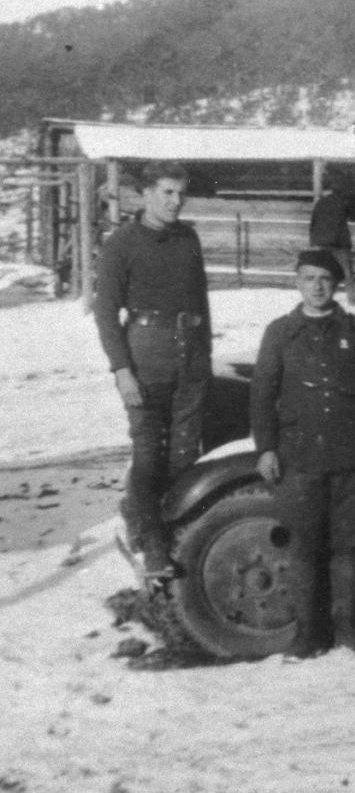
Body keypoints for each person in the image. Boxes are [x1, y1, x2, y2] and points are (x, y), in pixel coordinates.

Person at [250, 249, 355, 652]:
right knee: (305, 544)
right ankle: (307, 633)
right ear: (297, 282)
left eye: (325, 279)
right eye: (309, 278)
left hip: (349, 454)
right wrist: (266, 448)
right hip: (300, 456)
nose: (317, 287)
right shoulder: (280, 332)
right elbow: (262, 394)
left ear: (336, 284)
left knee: (346, 544)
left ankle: (346, 626)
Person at [94, 161, 212, 578]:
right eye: (166, 192)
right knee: (149, 454)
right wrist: (122, 371)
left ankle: (174, 533)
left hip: (191, 359)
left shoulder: (188, 239)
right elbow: (106, 313)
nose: (175, 201)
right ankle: (155, 546)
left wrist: (204, 362)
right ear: (145, 195)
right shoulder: (121, 243)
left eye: (180, 193)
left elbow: (201, 302)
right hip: (146, 359)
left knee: (185, 455)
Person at [309, 170, 355, 304]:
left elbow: (313, 222)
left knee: (323, 272)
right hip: (338, 243)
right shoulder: (345, 203)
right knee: (347, 272)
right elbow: (354, 219)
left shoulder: (321, 202)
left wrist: (313, 241)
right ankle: (353, 299)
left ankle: (319, 298)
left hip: (320, 242)